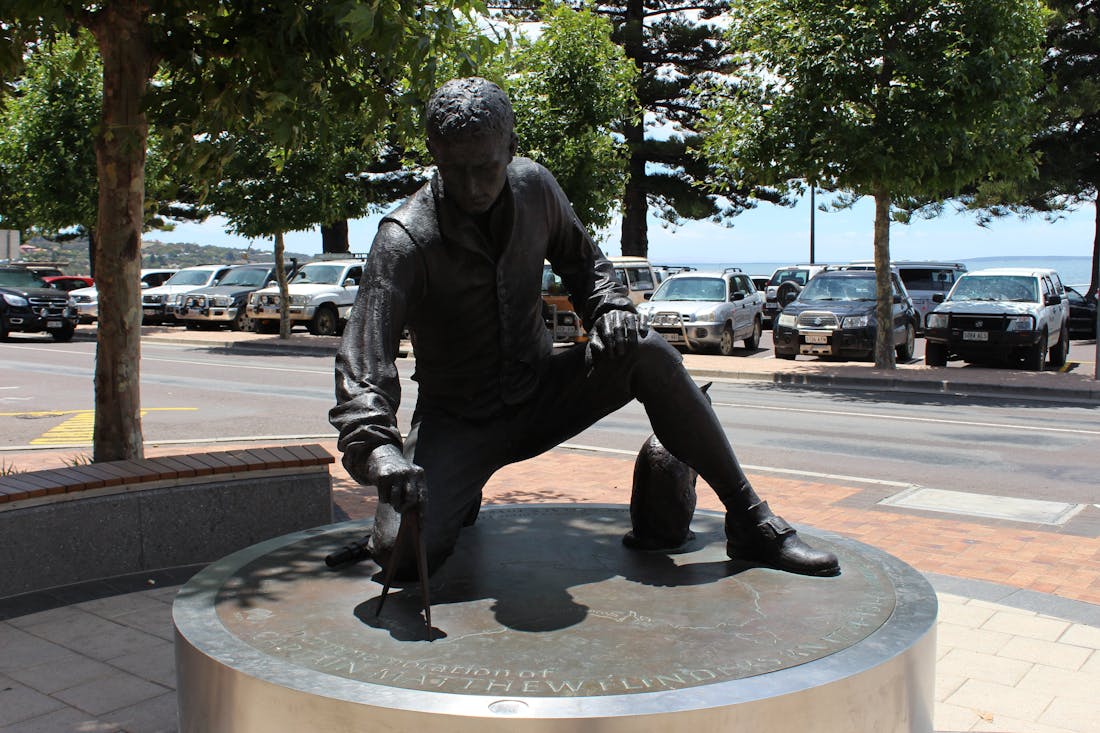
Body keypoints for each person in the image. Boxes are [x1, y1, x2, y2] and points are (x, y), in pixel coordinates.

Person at [329, 77, 839, 580]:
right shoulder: (404, 240)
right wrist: (381, 453)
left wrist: (610, 309)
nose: (473, 188)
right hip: (459, 419)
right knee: (400, 558)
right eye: (455, 170)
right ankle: (453, 497)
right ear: (433, 152)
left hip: (543, 391)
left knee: (645, 348)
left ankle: (749, 520)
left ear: (510, 147)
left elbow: (585, 265)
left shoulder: (535, 187)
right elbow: (364, 363)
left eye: (485, 168)